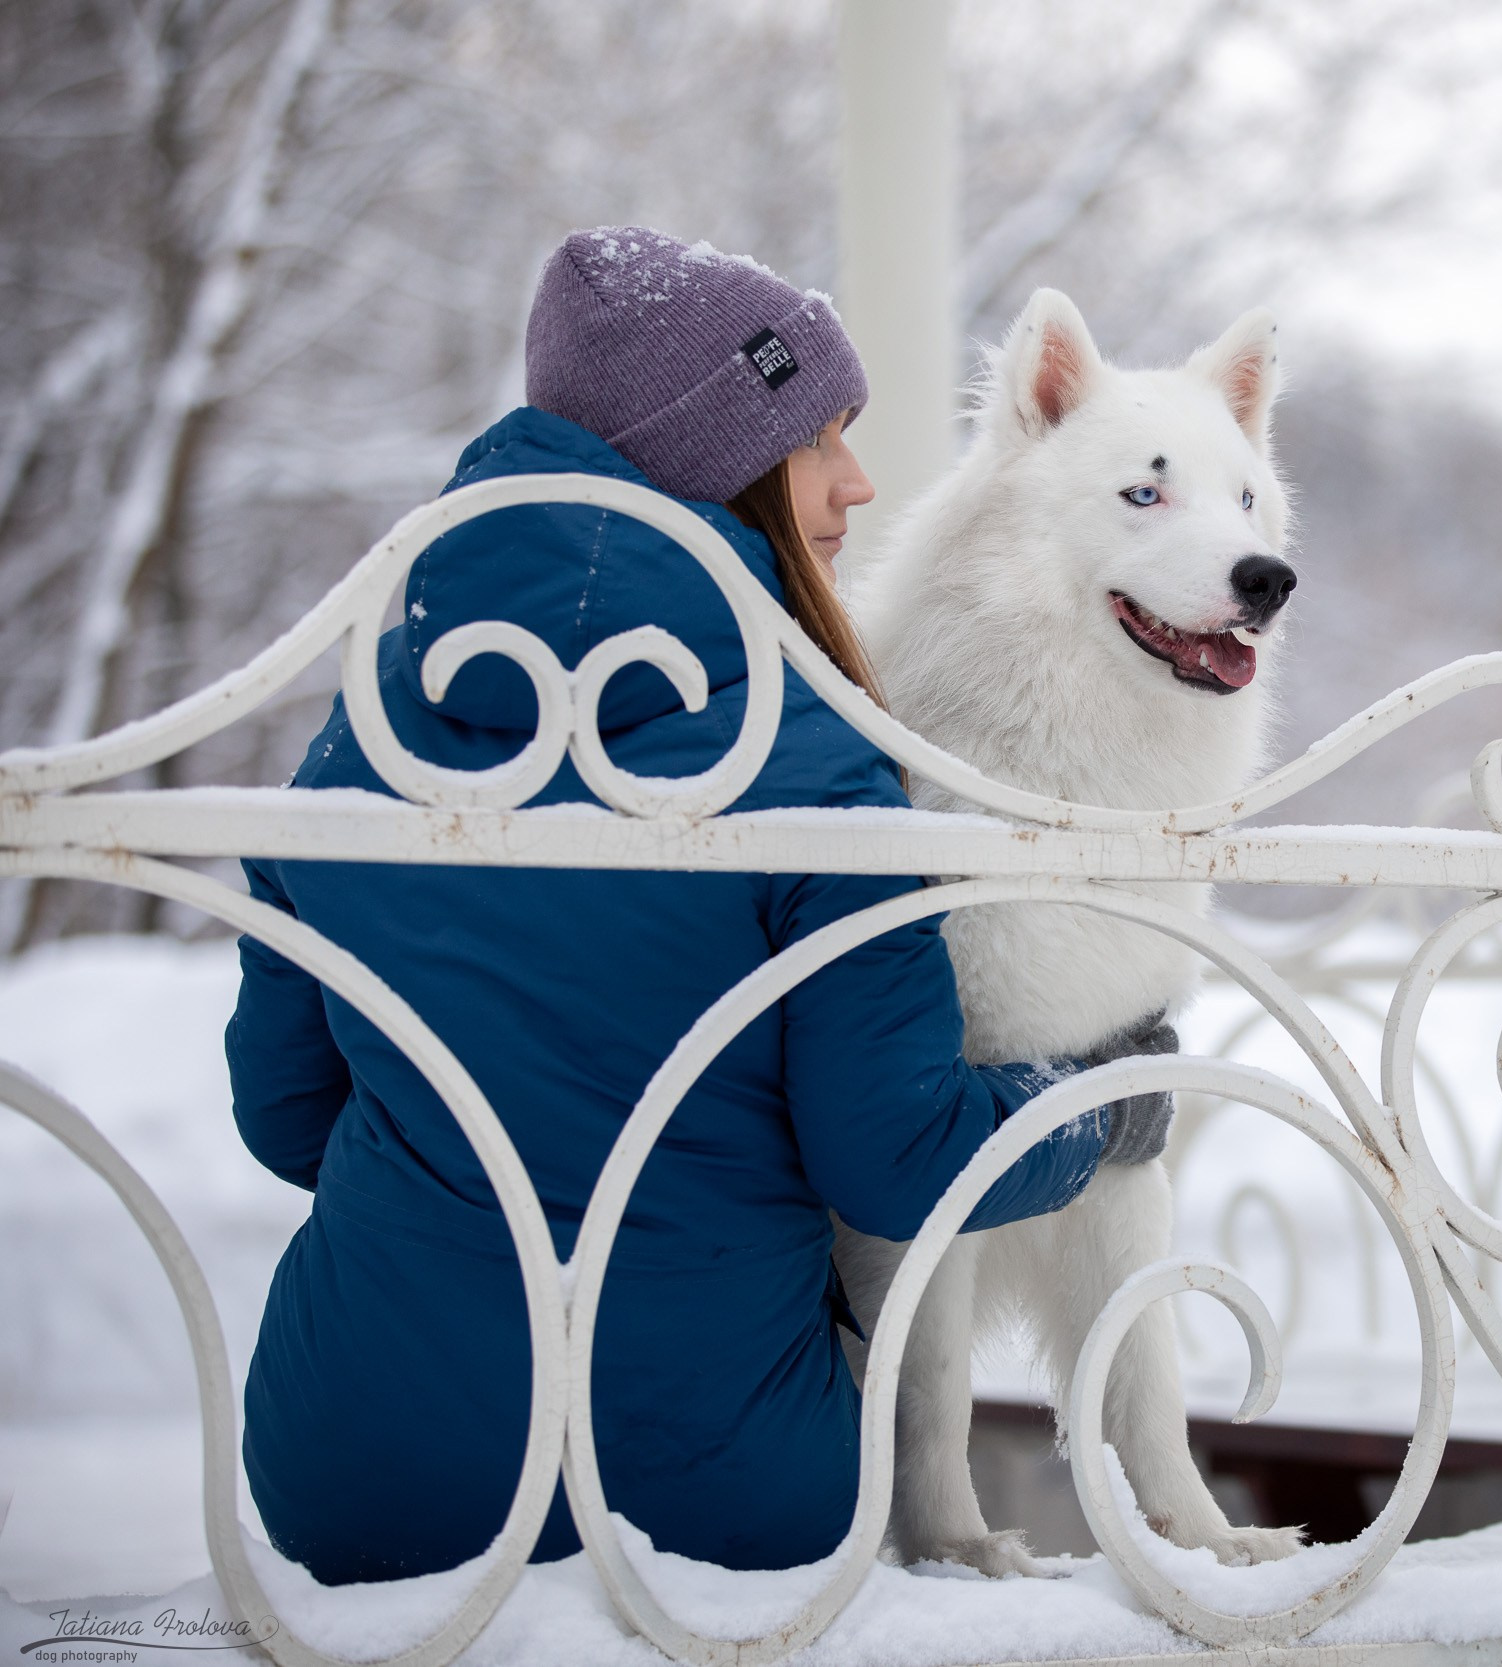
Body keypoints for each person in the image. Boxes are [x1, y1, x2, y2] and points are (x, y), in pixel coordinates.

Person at [225, 227, 1139, 1584]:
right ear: (718, 468)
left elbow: (285, 1117)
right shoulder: (810, 770)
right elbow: (898, 1163)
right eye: (823, 438)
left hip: (348, 1480)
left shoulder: (362, 742)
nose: (859, 482)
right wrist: (1100, 1109)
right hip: (721, 1504)